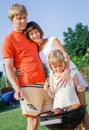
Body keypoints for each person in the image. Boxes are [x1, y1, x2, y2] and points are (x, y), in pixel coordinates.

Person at [2, 4, 53, 130]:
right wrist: (16, 87)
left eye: (25, 17)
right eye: (19, 18)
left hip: (44, 83)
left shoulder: (30, 35)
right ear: (11, 20)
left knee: (52, 118)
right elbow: (8, 67)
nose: (23, 21)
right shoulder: (9, 40)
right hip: (28, 85)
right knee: (33, 121)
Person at [44, 49, 89, 130]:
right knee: (64, 127)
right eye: (55, 67)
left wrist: (80, 89)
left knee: (76, 125)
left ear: (64, 63)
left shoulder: (71, 73)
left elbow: (77, 88)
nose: (58, 68)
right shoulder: (52, 78)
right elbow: (53, 95)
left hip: (73, 104)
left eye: (60, 65)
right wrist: (47, 89)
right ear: (51, 67)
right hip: (59, 107)